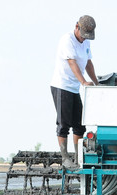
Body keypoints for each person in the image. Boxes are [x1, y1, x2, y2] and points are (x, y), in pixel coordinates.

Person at [50, 15, 99, 169]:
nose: (85, 39)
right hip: (62, 86)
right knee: (64, 123)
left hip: (74, 88)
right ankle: (65, 158)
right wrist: (83, 82)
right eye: (83, 35)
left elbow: (88, 63)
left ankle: (78, 158)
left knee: (79, 124)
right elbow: (72, 63)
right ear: (77, 27)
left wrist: (97, 83)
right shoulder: (67, 40)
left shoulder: (86, 43)